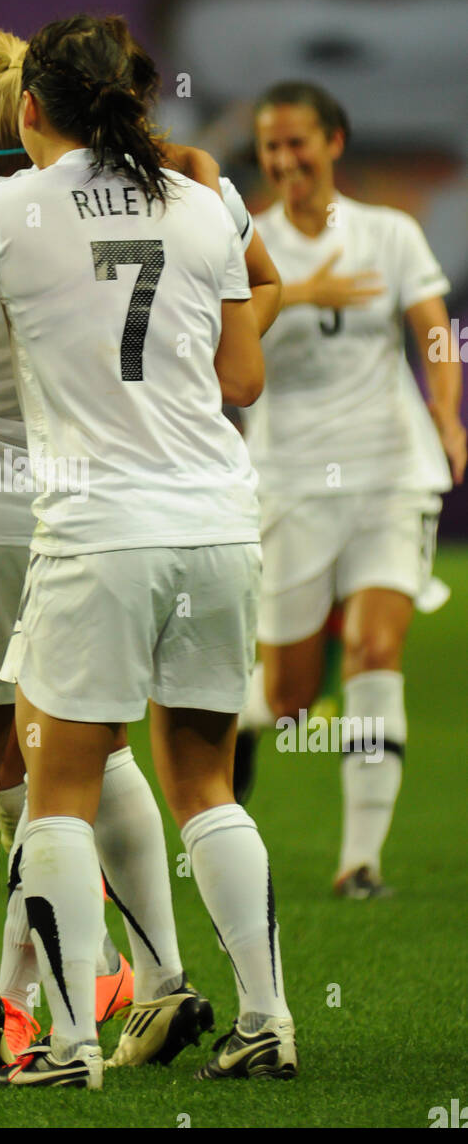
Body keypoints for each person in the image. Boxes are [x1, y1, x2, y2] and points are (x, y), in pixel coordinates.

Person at [0, 13, 293, 1089]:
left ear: (27, 108)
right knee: (206, 781)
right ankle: (264, 1018)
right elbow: (243, 381)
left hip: (96, 531)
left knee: (60, 786)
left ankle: (70, 1043)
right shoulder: (204, 200)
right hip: (216, 518)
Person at [237, 81, 465, 897]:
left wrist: (447, 414)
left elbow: (434, 327)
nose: (285, 160)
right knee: (292, 699)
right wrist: (298, 292)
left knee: (375, 649)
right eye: (271, 147)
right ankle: (248, 717)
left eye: (299, 142)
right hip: (291, 477)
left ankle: (360, 862)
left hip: (389, 468)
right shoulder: (246, 243)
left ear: (335, 142)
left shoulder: (390, 232)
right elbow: (221, 335)